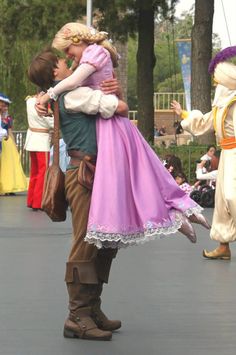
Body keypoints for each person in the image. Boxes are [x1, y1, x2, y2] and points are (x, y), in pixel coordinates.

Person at [37, 22, 209, 249]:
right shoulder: (81, 69)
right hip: (105, 133)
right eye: (64, 57)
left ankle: (177, 214)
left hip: (109, 129)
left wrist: (47, 95)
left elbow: (79, 83)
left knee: (130, 182)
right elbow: (115, 104)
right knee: (140, 179)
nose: (68, 58)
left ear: (77, 41)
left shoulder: (91, 56)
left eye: (68, 51)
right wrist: (44, 96)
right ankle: (177, 214)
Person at [171, 45, 236, 260]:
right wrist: (183, 114)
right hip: (227, 155)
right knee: (222, 202)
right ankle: (223, 245)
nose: (215, 85)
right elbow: (203, 123)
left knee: (232, 197)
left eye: (217, 81)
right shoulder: (221, 106)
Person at [24, 94, 54, 210]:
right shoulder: (44, 105)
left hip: (31, 139)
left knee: (34, 172)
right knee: (43, 173)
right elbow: (53, 124)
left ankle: (31, 200)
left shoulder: (29, 101)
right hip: (42, 141)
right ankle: (38, 202)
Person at [0, 93, 27, 196]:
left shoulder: (8, 118)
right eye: (3, 105)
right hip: (1, 141)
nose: (5, 107)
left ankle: (9, 187)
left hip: (7, 142)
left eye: (6, 105)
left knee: (9, 165)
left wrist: (14, 144)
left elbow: (10, 131)